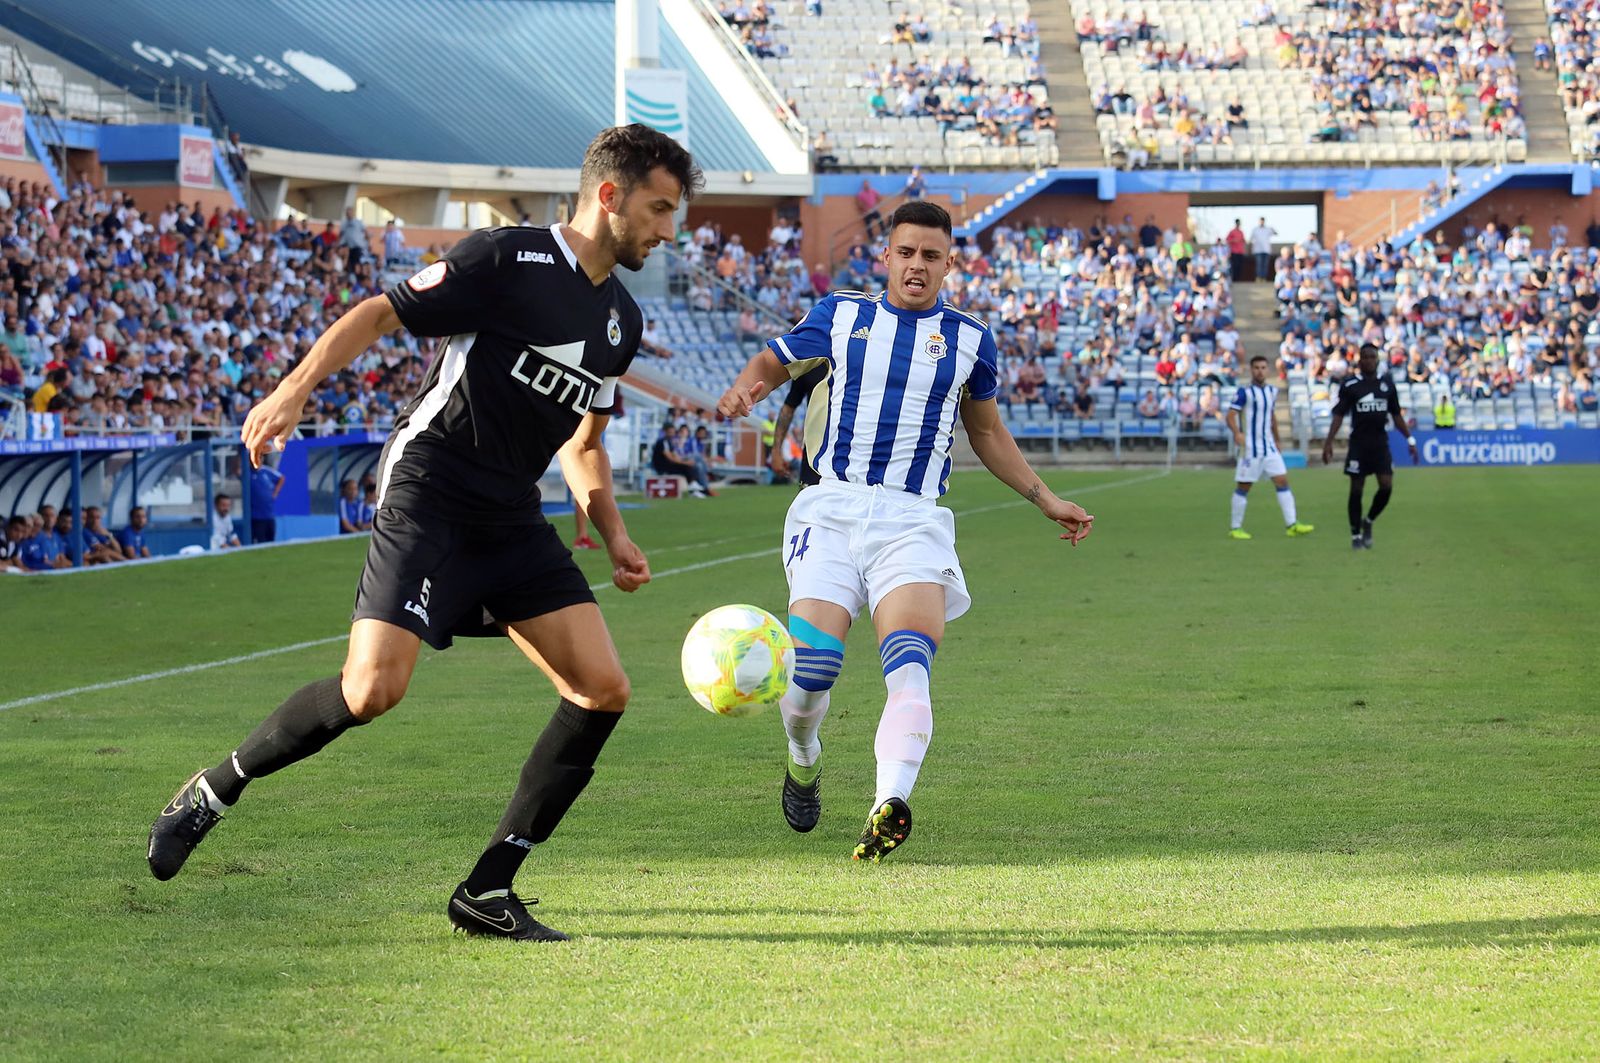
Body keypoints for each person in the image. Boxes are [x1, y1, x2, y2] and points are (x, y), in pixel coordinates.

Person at [146, 124, 703, 943]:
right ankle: (214, 788)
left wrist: (611, 529)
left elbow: (583, 443)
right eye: (658, 209)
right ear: (609, 195)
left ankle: (489, 887)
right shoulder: (507, 257)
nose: (667, 230)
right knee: (372, 690)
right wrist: (293, 392)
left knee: (603, 687)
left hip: (511, 513)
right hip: (432, 488)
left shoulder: (619, 320)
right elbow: (378, 312)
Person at [716, 201, 1095, 863]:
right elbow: (773, 364)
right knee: (811, 671)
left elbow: (985, 431)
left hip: (913, 519)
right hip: (831, 510)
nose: (917, 265)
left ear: (950, 264)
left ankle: (888, 802)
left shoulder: (971, 341)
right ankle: (803, 758)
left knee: (911, 665)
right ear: (886, 256)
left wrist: (1043, 496)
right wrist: (748, 389)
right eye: (907, 252)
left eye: (932, 255)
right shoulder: (842, 313)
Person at [1322, 343, 1417, 551]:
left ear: (1377, 360)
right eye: (1365, 357)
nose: (1368, 360)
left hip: (1380, 443)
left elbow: (1396, 415)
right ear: (1359, 361)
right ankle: (1355, 534)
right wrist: (1328, 442)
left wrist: (1410, 440)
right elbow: (1338, 415)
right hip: (1358, 444)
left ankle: (1369, 520)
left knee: (1386, 486)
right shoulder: (1350, 385)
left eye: (1372, 357)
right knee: (1356, 489)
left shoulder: (1387, 386)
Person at [1225, 356, 1313, 539]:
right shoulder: (1244, 392)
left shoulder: (1272, 391)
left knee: (1282, 481)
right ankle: (1235, 528)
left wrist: (1278, 439)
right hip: (1250, 449)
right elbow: (1231, 415)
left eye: (1263, 367)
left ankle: (1292, 524)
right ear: (1251, 370)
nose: (1260, 371)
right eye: (1256, 367)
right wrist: (1237, 433)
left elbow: (1271, 417)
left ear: (1268, 370)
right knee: (1244, 486)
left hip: (1269, 447)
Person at [768, 362, 828, 484]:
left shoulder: (856, 361)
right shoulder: (811, 364)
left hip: (849, 449)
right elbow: (788, 408)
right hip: (814, 452)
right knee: (809, 499)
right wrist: (776, 451)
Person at [250, 461, 285, 543]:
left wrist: (275, 493)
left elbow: (281, 478)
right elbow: (237, 471)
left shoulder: (266, 471)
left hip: (269, 515)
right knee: (259, 541)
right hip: (256, 516)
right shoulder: (248, 473)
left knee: (271, 541)